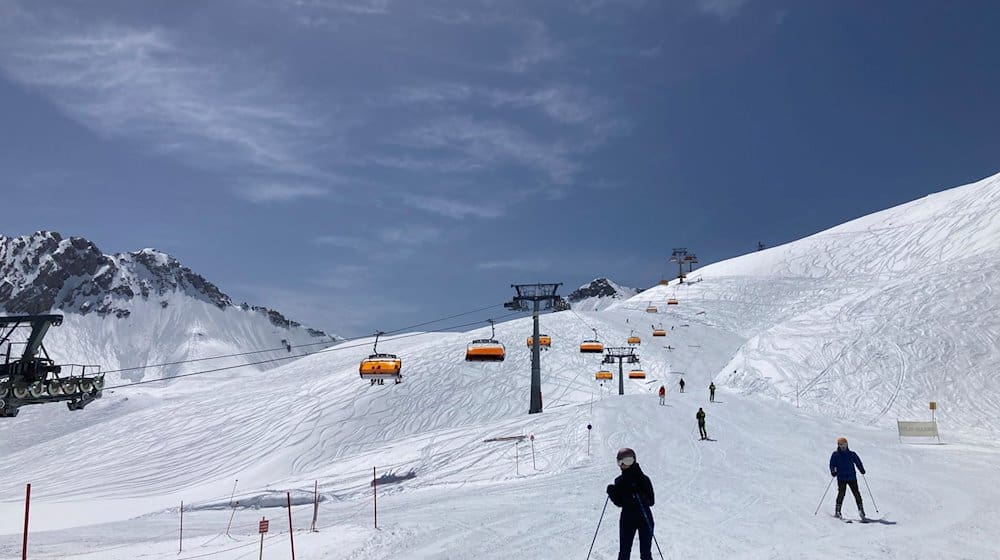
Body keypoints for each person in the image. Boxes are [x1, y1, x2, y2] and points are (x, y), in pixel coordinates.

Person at [606, 448, 655, 560]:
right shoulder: (619, 481)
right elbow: (619, 503)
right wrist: (612, 493)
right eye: (620, 462)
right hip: (627, 520)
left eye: (627, 461)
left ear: (634, 461)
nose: (623, 465)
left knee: (646, 553)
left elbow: (651, 501)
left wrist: (640, 495)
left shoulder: (643, 479)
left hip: (644, 518)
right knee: (624, 552)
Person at [829, 437, 866, 519]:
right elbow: (832, 464)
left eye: (844, 445)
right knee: (841, 493)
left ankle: (861, 510)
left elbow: (858, 462)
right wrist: (833, 471)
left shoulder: (852, 454)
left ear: (847, 445)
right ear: (838, 445)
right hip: (841, 477)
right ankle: (838, 511)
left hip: (851, 477)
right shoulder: (835, 454)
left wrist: (861, 469)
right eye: (841, 445)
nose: (843, 447)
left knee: (856, 493)